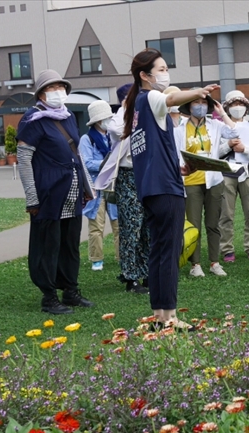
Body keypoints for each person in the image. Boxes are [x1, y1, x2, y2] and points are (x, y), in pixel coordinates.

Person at [121, 48, 220, 329]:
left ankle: (160, 315)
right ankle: (170, 318)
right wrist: (199, 91)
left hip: (153, 187)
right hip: (165, 189)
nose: (166, 74)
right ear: (145, 75)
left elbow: (152, 152)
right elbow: (171, 98)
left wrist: (177, 167)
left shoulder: (137, 107)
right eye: (161, 69)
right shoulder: (149, 98)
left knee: (159, 251)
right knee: (169, 252)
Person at [16, 69, 95, 314]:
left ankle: (70, 290)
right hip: (49, 194)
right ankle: (49, 297)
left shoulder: (68, 116)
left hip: (72, 191)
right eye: (51, 88)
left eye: (60, 87)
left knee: (70, 244)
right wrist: (32, 197)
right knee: (47, 245)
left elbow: (76, 154)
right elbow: (24, 159)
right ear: (41, 93)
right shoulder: (32, 120)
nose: (57, 92)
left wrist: (87, 187)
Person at [175, 92, 239, 277]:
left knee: (213, 223)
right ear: (189, 106)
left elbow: (235, 132)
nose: (200, 106)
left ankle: (214, 262)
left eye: (204, 103)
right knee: (194, 224)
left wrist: (222, 113)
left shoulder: (214, 125)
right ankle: (195, 264)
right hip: (191, 182)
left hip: (213, 181)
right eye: (196, 102)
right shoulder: (179, 129)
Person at [109, 83, 149, 294]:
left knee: (147, 228)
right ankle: (130, 277)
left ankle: (148, 272)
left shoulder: (145, 117)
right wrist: (125, 107)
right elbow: (116, 130)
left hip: (147, 174)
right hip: (128, 175)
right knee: (131, 228)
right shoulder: (121, 120)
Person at [216, 90, 249, 263]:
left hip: (248, 172)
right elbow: (215, 153)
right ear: (227, 108)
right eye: (234, 104)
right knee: (226, 214)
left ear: (246, 107)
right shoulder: (220, 127)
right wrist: (228, 145)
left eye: (241, 104)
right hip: (226, 172)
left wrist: (245, 149)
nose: (237, 107)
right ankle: (227, 249)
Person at [80, 100, 119, 271]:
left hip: (114, 185)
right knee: (96, 226)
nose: (108, 120)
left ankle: (122, 256)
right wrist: (107, 163)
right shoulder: (87, 139)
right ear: (97, 120)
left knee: (119, 224)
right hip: (96, 188)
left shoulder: (113, 135)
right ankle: (96, 259)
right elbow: (87, 163)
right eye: (106, 118)